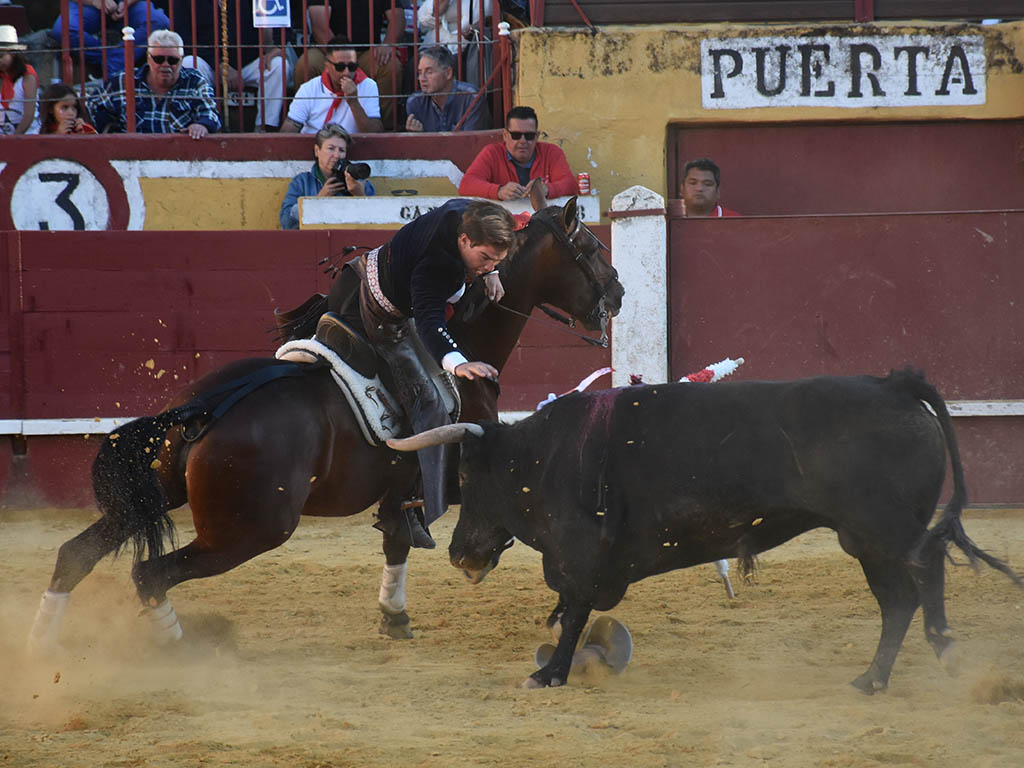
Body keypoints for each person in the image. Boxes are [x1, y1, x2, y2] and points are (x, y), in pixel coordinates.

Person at [322, 198, 514, 548]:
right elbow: (427, 320)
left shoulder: (467, 212)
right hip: (381, 314)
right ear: (464, 241)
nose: (486, 267)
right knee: (429, 405)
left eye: (495, 261)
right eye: (484, 258)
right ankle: (407, 506)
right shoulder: (438, 264)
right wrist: (457, 362)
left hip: (376, 272)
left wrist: (493, 270)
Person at [172, 0, 286, 131]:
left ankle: (264, 128)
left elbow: (282, 23)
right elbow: (184, 40)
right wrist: (220, 65)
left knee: (278, 65)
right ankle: (204, 123)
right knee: (189, 63)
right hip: (210, 65)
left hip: (250, 62)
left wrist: (277, 47)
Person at [88, 29, 222, 137]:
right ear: (148, 58)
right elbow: (91, 105)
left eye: (172, 60)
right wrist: (108, 128)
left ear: (181, 60)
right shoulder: (123, 81)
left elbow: (211, 113)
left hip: (178, 159)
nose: (165, 65)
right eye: (158, 59)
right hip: (130, 157)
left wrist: (202, 125)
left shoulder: (194, 81)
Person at [295, 0, 405, 128]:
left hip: (367, 51)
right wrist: (341, 56)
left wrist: (387, 44)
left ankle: (384, 129)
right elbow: (319, 27)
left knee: (390, 66)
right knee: (307, 64)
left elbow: (398, 18)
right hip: (329, 51)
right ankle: (304, 124)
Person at [458, 105, 577, 201]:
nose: (522, 141)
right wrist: (499, 191)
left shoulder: (552, 153)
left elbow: (571, 185)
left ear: (537, 136)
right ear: (505, 135)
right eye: (516, 135)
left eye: (529, 136)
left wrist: (546, 189)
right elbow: (466, 185)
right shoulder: (492, 153)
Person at [280, 124, 377, 230]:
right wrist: (318, 200)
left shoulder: (359, 182)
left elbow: (377, 221)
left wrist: (360, 195)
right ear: (317, 151)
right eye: (331, 148)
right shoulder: (302, 182)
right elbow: (286, 222)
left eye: (341, 150)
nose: (337, 155)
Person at [283, 36, 383, 135]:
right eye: (340, 67)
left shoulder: (368, 85)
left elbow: (375, 133)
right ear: (327, 66)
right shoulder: (309, 88)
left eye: (352, 67)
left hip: (349, 146)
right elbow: (291, 126)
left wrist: (353, 102)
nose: (346, 73)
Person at [50, 0, 170, 79]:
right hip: (88, 5)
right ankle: (114, 60)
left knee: (160, 21)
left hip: (129, 6)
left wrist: (127, 2)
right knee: (63, 29)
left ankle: (114, 62)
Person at [405, 45, 487, 132]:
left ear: (448, 73)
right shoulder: (415, 102)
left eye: (429, 72)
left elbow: (471, 141)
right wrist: (417, 136)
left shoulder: (471, 97)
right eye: (420, 73)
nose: (422, 78)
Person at [0, 25, 40, 135]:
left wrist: (15, 138)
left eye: (1, 56)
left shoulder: (27, 76)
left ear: (13, 53)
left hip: (27, 134)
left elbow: (29, 115)